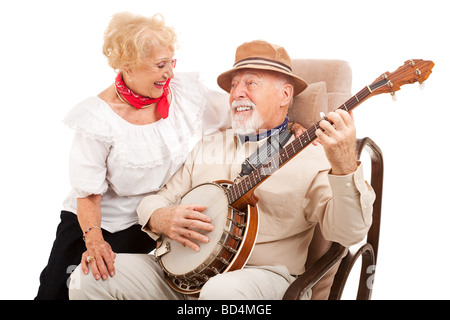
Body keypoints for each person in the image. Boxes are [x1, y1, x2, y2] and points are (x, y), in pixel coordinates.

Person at [69, 39, 375, 300]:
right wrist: (162, 217)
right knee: (87, 277)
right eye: (234, 85)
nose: (237, 92)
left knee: (221, 293)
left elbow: (349, 232)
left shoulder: (316, 154)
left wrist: (345, 164)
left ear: (285, 95)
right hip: (183, 276)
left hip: (264, 279)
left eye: (251, 83)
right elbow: (155, 200)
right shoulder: (209, 144)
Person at [35, 12, 232, 300]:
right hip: (96, 220)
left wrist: (287, 125)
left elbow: (237, 114)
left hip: (152, 215)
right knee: (59, 289)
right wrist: (95, 241)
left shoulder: (183, 94)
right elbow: (88, 195)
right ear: (128, 66)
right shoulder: (97, 118)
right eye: (160, 65)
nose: (170, 74)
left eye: (172, 62)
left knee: (111, 287)